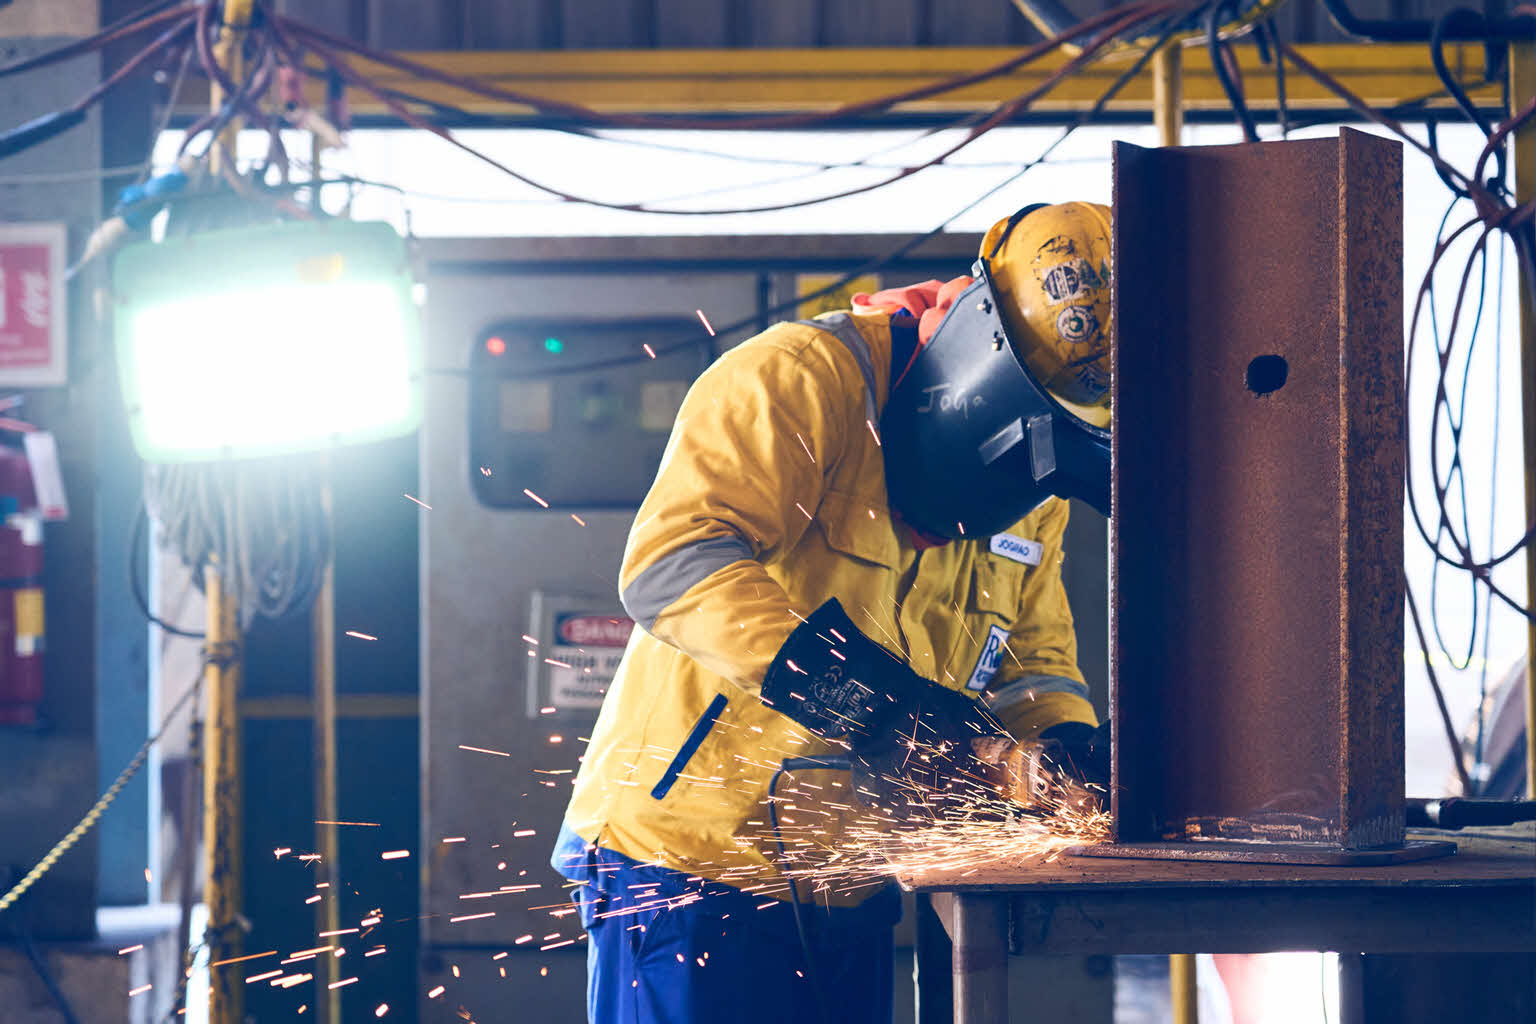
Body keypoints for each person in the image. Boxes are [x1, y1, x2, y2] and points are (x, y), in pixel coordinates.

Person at [552, 202, 1115, 1024]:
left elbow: (1032, 655)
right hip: (689, 866)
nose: (1027, 460)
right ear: (972, 325)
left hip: (850, 876)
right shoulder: (801, 377)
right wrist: (884, 710)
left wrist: (1063, 745)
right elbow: (673, 566)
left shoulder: (1040, 475)